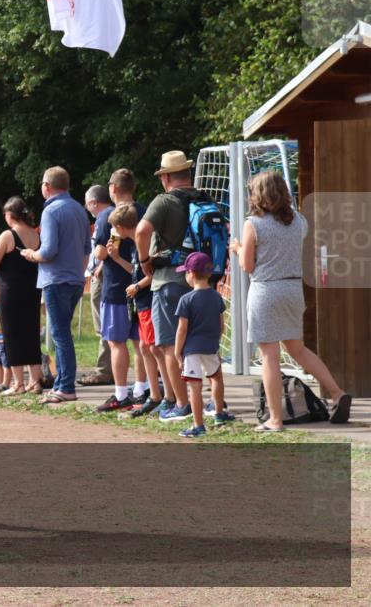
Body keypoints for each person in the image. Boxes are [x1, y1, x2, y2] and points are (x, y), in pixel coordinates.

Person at [229, 171, 351, 430]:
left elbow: (248, 265)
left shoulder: (253, 224)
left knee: (269, 357)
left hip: (265, 290)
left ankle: (275, 419)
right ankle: (337, 392)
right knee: (298, 350)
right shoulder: (299, 221)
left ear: (258, 194)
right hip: (293, 290)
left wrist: (238, 249)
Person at [135, 151, 207, 423]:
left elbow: (142, 231)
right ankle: (213, 400)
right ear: (187, 173)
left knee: (168, 345)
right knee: (199, 344)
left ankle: (182, 403)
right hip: (201, 281)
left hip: (169, 281)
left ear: (165, 177)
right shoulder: (203, 198)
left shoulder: (164, 201)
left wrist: (144, 260)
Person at [20, 167, 91, 404]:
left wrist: (31, 254)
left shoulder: (51, 211)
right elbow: (87, 249)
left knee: (60, 335)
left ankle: (66, 386)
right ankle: (61, 384)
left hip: (56, 280)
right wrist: (79, 273)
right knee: (62, 333)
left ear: (47, 186)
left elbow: (48, 251)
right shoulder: (79, 209)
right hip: (75, 280)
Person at [92, 191, 147, 413]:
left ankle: (122, 394)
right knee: (139, 342)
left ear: (113, 188)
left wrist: (110, 256)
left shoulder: (109, 217)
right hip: (137, 291)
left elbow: (100, 253)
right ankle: (142, 388)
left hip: (117, 290)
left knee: (116, 342)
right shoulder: (144, 213)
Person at [109, 202, 163, 418]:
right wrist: (117, 259)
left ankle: (159, 395)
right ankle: (155, 394)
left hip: (148, 300)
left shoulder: (143, 242)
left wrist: (137, 287)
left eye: (114, 228)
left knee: (151, 347)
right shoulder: (133, 246)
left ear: (121, 227)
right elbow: (137, 270)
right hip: (140, 302)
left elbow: (152, 273)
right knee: (144, 346)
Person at [0, 196, 44, 395]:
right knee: (31, 334)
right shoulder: (36, 235)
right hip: (33, 290)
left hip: (10, 291)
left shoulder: (7, 235)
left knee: (12, 336)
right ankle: (35, 381)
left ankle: (18, 383)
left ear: (10, 215)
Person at [173, 252, 234, 437]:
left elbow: (182, 329)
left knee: (195, 386)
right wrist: (215, 342)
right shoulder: (216, 297)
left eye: (186, 272)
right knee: (216, 378)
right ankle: (218, 413)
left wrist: (177, 352)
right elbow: (221, 325)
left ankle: (198, 425)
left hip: (192, 349)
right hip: (211, 346)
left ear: (191, 273)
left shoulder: (186, 299)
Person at [78, 185, 114, 386]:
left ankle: (104, 371)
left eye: (87, 204)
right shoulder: (113, 214)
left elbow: (106, 247)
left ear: (93, 202)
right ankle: (108, 368)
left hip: (103, 277)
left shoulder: (103, 217)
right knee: (106, 324)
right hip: (104, 275)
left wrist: (100, 265)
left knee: (103, 325)